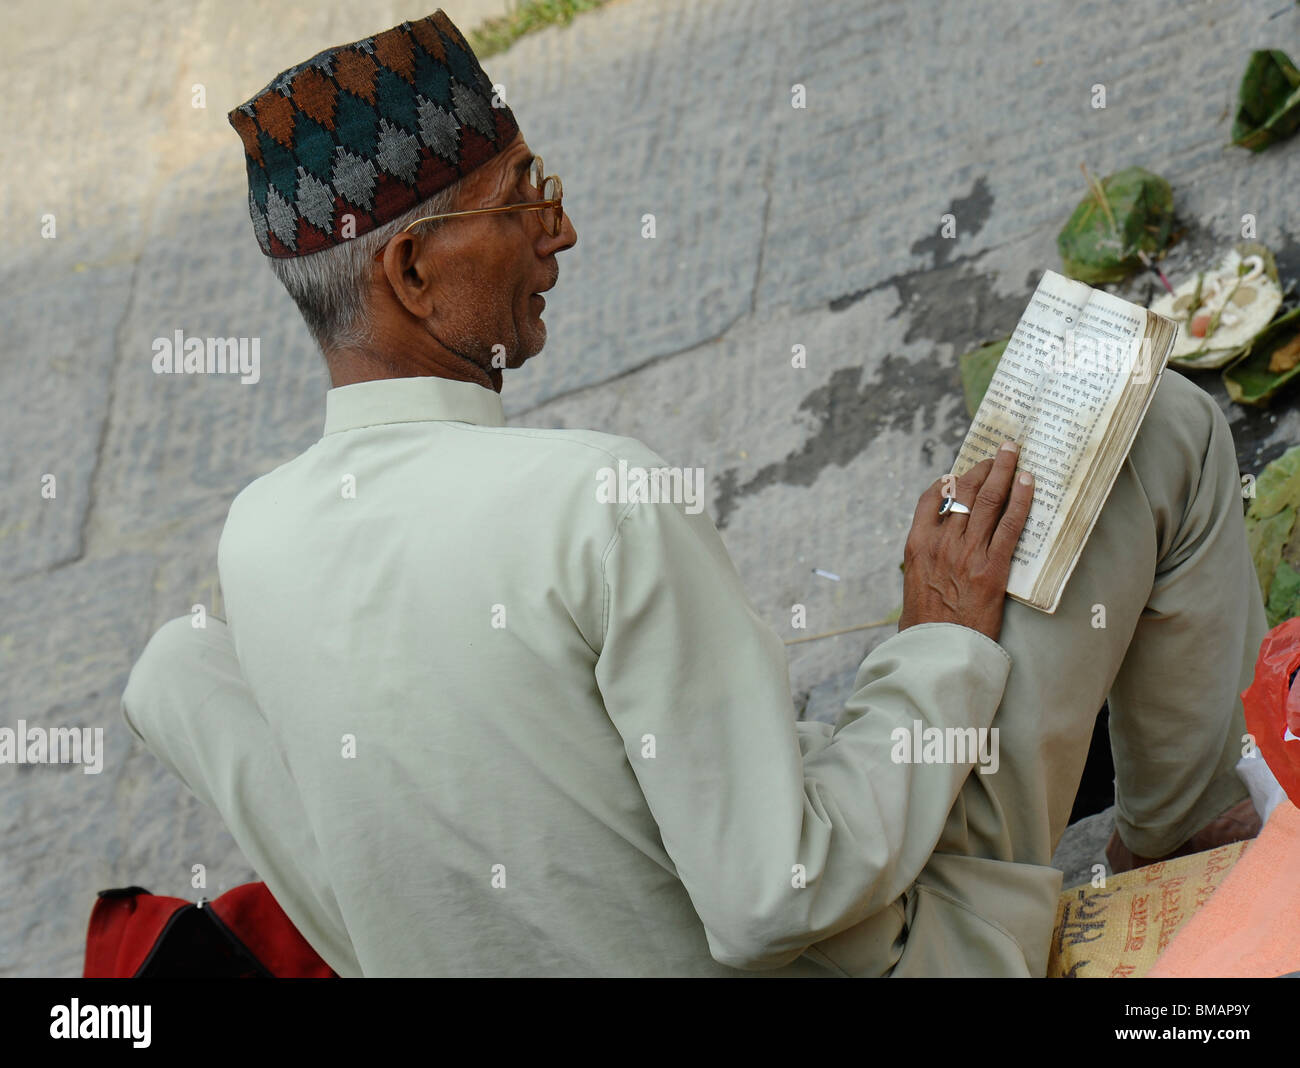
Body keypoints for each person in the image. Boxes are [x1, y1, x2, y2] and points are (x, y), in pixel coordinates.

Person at [121, 9, 1265, 977]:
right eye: (523, 196)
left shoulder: (256, 540)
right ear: (412, 271)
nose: (559, 228)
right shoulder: (595, 501)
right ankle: (1189, 867)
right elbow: (778, 894)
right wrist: (937, 641)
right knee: (1147, 422)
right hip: (887, 954)